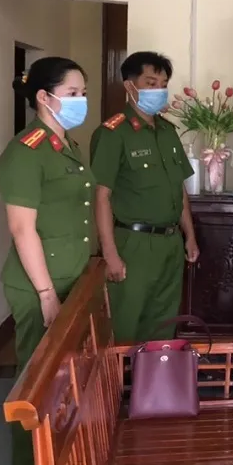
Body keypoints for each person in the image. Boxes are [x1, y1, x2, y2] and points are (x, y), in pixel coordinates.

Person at [0, 56, 92, 465]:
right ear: (43, 97)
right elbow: (22, 229)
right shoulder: (26, 152)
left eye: (83, 93)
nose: (81, 100)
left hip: (73, 279)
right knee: (36, 390)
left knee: (66, 386)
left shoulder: (66, 146)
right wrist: (46, 295)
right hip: (41, 286)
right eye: (72, 93)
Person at [90, 51, 199, 344]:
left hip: (170, 243)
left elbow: (178, 188)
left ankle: (152, 375)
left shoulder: (167, 131)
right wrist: (110, 253)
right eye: (151, 83)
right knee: (125, 323)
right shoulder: (113, 133)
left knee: (163, 323)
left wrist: (190, 235)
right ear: (130, 86)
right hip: (133, 244)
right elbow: (101, 196)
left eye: (163, 84)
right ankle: (122, 376)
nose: (158, 90)